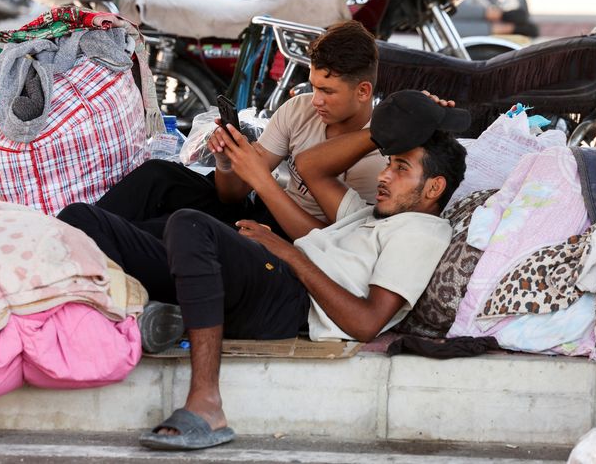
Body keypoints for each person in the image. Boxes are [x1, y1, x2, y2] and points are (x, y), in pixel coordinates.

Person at [136, 90, 469, 451]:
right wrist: (386, 129)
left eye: (400, 168)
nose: (384, 176)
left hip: (288, 299)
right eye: (388, 162)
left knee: (191, 225)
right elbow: (309, 166)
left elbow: (366, 323)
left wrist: (287, 253)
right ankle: (169, 313)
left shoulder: (421, 231)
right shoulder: (371, 214)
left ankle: (206, 406)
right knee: (89, 220)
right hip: (273, 274)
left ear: (435, 187)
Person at [57, 20, 385, 314]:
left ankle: (89, 256)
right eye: (313, 86)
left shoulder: (376, 158)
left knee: (168, 229)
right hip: (261, 213)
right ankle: (83, 246)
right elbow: (232, 196)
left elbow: (330, 244)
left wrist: (262, 181)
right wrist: (228, 162)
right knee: (159, 175)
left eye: (327, 91)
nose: (316, 100)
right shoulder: (300, 109)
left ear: (363, 91)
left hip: (293, 247)